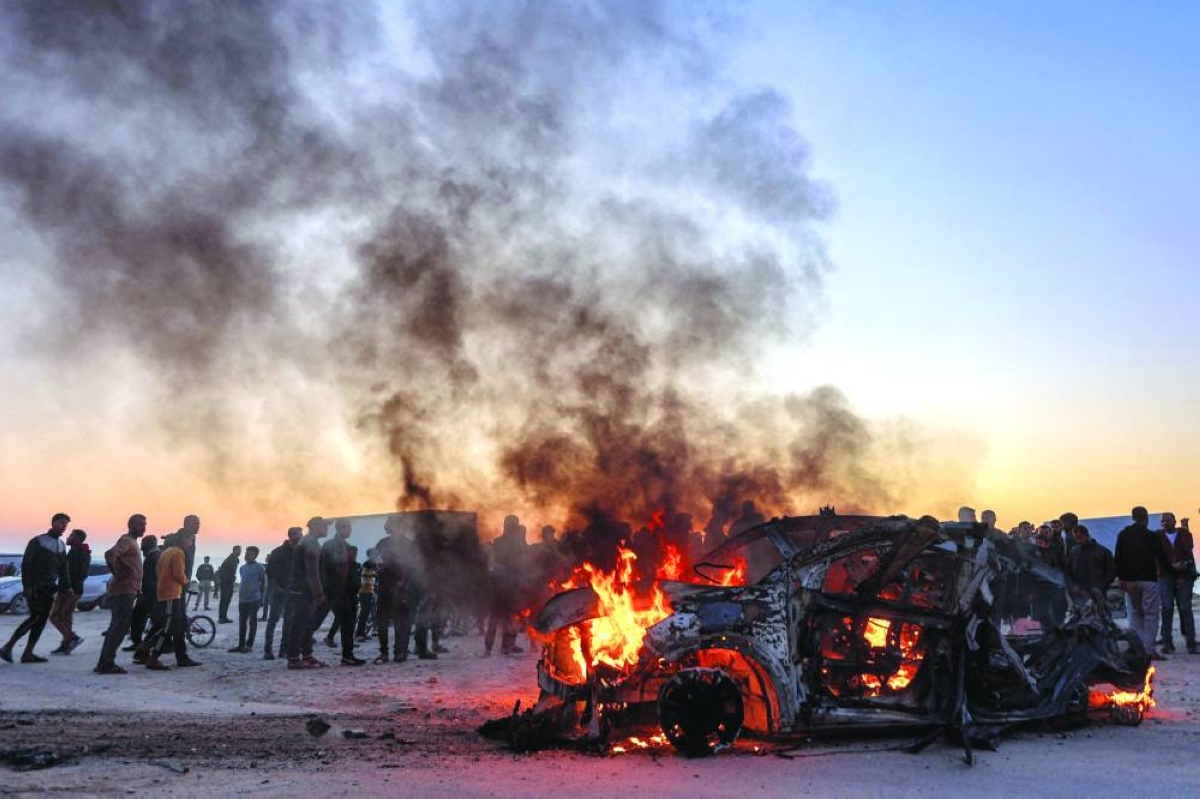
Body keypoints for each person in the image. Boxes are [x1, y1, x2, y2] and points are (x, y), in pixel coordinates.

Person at [2, 513, 70, 664]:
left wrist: (67, 586)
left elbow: (64, 568)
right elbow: (27, 565)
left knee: (41, 620)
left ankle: (28, 653)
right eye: (61, 522)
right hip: (36, 587)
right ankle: (8, 647)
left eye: (65, 523)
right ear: (53, 523)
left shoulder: (61, 544)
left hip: (49, 588)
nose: (63, 526)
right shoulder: (38, 541)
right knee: (36, 616)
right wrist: (28, 586)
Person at [137, 531, 201, 670]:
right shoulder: (178, 553)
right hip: (172, 593)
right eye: (190, 541)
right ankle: (152, 655)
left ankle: (147, 650)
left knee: (166, 624)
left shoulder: (165, 552)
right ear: (183, 540)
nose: (191, 544)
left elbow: (158, 572)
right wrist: (186, 581)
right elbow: (178, 574)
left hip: (163, 592)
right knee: (166, 627)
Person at [95, 515, 146, 674]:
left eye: (144, 525)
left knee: (116, 627)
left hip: (128, 589)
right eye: (139, 525)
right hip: (124, 590)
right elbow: (110, 554)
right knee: (119, 627)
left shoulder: (132, 542)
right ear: (130, 525)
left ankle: (105, 662)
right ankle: (106, 663)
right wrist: (118, 572)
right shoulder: (127, 541)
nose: (143, 528)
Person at [1115, 507, 1164, 659]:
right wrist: (1174, 572)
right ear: (1146, 518)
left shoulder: (1123, 534)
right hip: (1148, 579)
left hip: (1129, 581)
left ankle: (1138, 648)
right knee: (1151, 614)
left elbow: (1118, 558)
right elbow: (1161, 557)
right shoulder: (1151, 536)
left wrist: (1120, 578)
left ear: (1133, 517)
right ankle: (1149, 649)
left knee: (1135, 613)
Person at [284, 517, 329, 669]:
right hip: (304, 591)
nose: (327, 528)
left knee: (308, 624)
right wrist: (318, 592)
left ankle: (307, 655)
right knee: (300, 624)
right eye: (324, 526)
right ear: (315, 526)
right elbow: (312, 572)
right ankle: (294, 658)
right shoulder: (310, 543)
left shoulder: (310, 542)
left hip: (303, 590)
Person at [320, 519, 365, 666]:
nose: (350, 530)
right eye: (348, 527)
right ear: (340, 528)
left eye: (350, 527)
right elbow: (329, 568)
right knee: (318, 619)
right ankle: (301, 651)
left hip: (347, 590)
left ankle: (348, 655)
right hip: (336, 589)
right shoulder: (331, 545)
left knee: (349, 622)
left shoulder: (346, 546)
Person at [374, 514, 415, 664]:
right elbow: (376, 561)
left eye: (388, 522)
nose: (386, 525)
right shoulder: (383, 543)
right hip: (387, 586)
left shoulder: (407, 545)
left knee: (400, 621)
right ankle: (388, 652)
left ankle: (398, 652)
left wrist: (402, 582)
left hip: (400, 587)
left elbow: (411, 567)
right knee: (384, 621)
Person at [485, 514, 526, 657]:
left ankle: (492, 648)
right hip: (507, 584)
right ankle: (504, 647)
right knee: (507, 616)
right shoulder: (516, 543)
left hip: (500, 584)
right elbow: (520, 562)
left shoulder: (498, 542)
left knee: (498, 617)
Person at [1156, 512, 1197, 655]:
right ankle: (1167, 643)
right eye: (1163, 521)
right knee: (1166, 608)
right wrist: (1172, 568)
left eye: (1168, 520)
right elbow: (1157, 556)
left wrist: (1185, 528)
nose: (1165, 523)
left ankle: (1191, 643)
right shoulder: (1158, 536)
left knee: (1185, 608)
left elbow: (1188, 548)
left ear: (1174, 521)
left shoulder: (1183, 534)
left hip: (1184, 575)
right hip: (1165, 576)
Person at [49, 529, 90, 655]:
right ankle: (66, 645)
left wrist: (70, 587)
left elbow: (80, 573)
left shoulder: (79, 553)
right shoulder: (77, 551)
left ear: (77, 538)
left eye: (71, 536)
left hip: (69, 590)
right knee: (66, 617)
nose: (68, 537)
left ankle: (72, 637)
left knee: (55, 616)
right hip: (73, 589)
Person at [263, 527, 301, 660]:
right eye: (299, 534)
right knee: (273, 620)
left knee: (289, 621)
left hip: (292, 591)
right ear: (292, 536)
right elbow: (269, 571)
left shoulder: (297, 552)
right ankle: (267, 650)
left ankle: (283, 650)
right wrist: (275, 586)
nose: (301, 536)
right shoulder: (278, 552)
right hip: (279, 591)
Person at [230, 546, 266, 653]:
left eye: (249, 554)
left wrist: (262, 599)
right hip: (242, 600)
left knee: (252, 622)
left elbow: (263, 583)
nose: (247, 555)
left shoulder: (259, 567)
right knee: (242, 623)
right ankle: (241, 645)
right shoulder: (242, 568)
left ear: (255, 555)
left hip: (254, 599)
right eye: (246, 553)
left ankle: (249, 645)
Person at [127, 534, 160, 651]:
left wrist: (145, 593)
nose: (141, 546)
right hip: (149, 593)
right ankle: (139, 643)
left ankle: (142, 645)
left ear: (148, 544)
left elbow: (153, 577)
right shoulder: (153, 555)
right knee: (141, 618)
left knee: (140, 617)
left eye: (143, 544)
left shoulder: (154, 556)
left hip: (150, 594)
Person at [1067, 525, 1115, 594]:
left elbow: (1111, 572)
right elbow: (1069, 571)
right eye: (1076, 538)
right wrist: (1073, 585)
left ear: (1087, 535)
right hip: (1079, 592)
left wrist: (1101, 587)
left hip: (1098, 591)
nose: (1078, 541)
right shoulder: (1074, 551)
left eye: (1080, 538)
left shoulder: (1103, 551)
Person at [356, 549, 377, 641]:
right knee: (364, 613)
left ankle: (362, 633)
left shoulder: (373, 564)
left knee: (367, 613)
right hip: (364, 592)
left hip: (369, 591)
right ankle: (359, 634)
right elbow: (364, 575)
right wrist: (375, 574)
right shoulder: (366, 564)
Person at [217, 546, 241, 623]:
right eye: (238, 550)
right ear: (233, 551)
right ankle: (221, 618)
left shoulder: (235, 559)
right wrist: (230, 579)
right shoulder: (229, 559)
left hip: (229, 582)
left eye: (240, 551)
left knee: (227, 600)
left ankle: (224, 616)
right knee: (224, 600)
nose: (239, 552)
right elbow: (223, 571)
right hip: (226, 583)